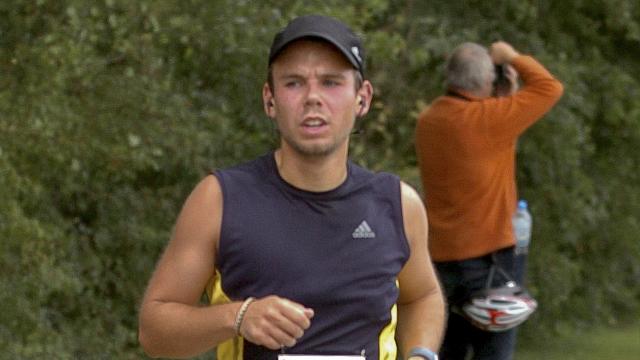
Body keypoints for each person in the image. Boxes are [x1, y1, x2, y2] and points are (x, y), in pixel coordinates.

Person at [138, 14, 445, 360]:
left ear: (363, 98)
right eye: (294, 83)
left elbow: (422, 297)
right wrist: (237, 317)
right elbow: (154, 333)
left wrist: (420, 354)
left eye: (331, 82)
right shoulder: (220, 199)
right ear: (269, 99)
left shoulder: (397, 205)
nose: (313, 97)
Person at [414, 41, 563, 360]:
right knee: (493, 351)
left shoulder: (429, 121)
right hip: (491, 260)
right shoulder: (490, 119)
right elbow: (549, 87)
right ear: (486, 80)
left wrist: (502, 97)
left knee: (449, 349)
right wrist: (510, 56)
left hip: (440, 260)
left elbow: (483, 144)